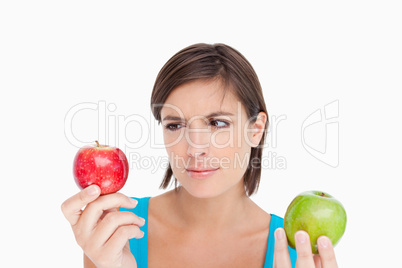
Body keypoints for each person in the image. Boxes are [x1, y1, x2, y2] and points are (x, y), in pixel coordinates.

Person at [61, 43, 339, 268]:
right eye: (175, 125)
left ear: (256, 129)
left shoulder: (296, 250)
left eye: (218, 123)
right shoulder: (115, 232)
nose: (195, 147)